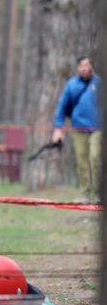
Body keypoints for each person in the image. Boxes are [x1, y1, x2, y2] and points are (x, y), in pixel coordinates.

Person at [52, 56, 101, 202]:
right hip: (79, 128)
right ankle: (85, 194)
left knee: (95, 157)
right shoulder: (72, 85)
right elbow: (62, 106)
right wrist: (58, 128)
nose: (84, 68)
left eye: (87, 65)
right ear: (78, 68)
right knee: (81, 161)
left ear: (92, 67)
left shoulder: (99, 83)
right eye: (82, 65)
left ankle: (98, 193)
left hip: (98, 128)